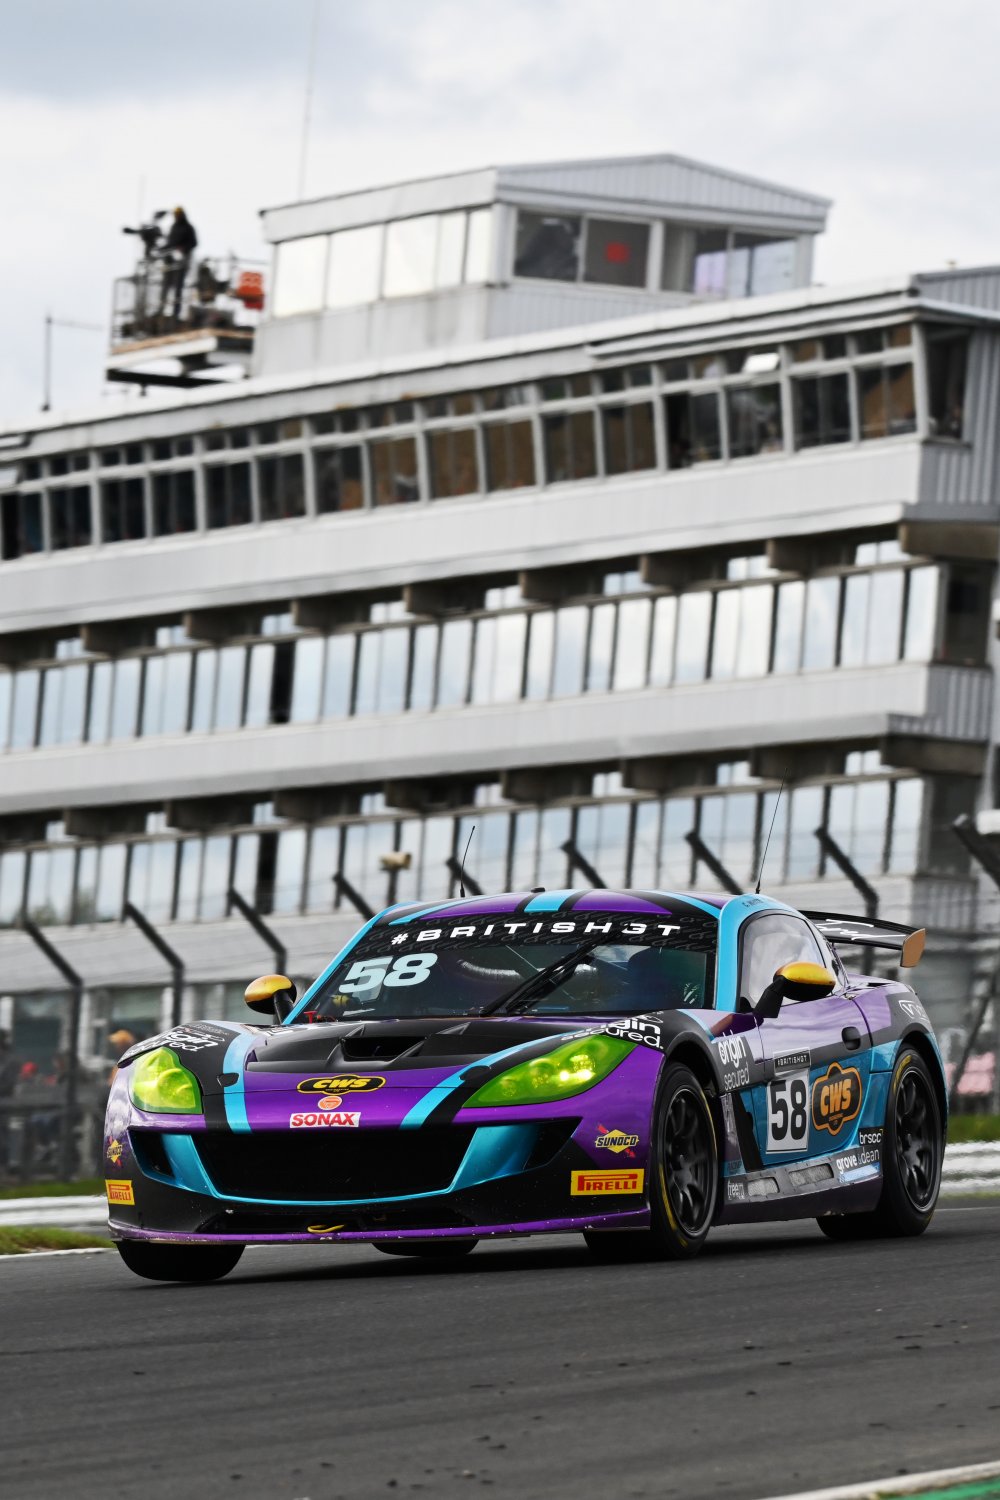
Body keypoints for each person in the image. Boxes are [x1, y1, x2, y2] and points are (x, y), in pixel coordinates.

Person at [162, 206, 198, 320]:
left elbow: (194, 243)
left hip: (181, 263)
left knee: (178, 287)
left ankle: (176, 312)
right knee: (166, 286)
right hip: (170, 262)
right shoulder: (174, 227)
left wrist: (183, 249)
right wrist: (162, 249)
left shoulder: (188, 227)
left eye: (178, 214)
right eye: (175, 214)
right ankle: (161, 309)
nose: (177, 216)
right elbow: (170, 242)